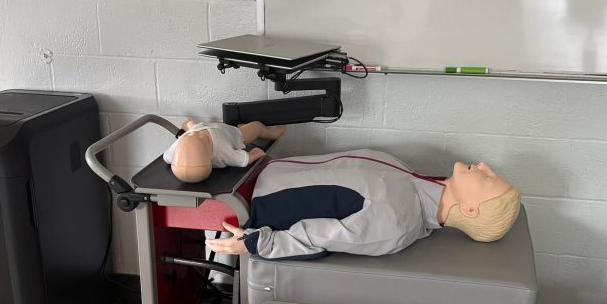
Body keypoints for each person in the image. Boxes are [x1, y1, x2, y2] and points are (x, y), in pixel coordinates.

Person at [205, 149, 521, 260]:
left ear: (469, 209)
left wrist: (257, 244)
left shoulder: (397, 222)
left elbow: (319, 237)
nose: (485, 167)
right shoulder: (414, 181)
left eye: (490, 179)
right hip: (255, 170)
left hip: (246, 200)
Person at [164, 119, 286, 183]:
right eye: (201, 139)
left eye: (188, 137)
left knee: (192, 126)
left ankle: (188, 125)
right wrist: (255, 153)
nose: (194, 135)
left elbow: (166, 156)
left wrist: (189, 130)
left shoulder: (179, 145)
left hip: (200, 126)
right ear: (211, 157)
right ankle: (271, 134)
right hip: (229, 133)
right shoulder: (221, 150)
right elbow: (243, 160)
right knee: (257, 127)